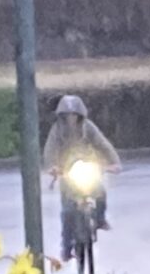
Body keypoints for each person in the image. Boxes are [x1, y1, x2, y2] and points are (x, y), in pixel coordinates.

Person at [42, 94, 119, 258]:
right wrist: (52, 167)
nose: (71, 118)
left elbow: (102, 144)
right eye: (67, 115)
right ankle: (66, 247)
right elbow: (50, 149)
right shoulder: (57, 130)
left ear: (80, 115)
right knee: (67, 210)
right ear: (61, 116)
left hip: (87, 167)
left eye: (74, 114)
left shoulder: (88, 127)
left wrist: (114, 162)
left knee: (100, 192)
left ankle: (100, 219)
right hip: (67, 172)